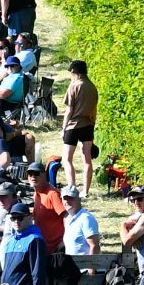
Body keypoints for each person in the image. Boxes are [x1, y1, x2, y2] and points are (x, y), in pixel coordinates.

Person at [60, 60, 99, 199]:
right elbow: (94, 109)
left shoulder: (74, 86)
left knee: (67, 159)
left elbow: (69, 110)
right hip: (88, 125)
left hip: (73, 126)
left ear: (72, 71)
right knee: (87, 159)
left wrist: (63, 128)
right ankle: (85, 191)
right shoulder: (92, 87)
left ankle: (72, 187)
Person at [59, 184, 100, 258]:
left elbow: (94, 246)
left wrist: (91, 265)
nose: (67, 201)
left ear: (79, 199)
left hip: (84, 265)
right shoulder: (68, 219)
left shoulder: (86, 218)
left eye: (70, 198)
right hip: (72, 264)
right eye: (65, 198)